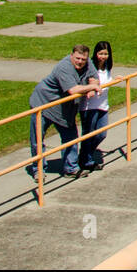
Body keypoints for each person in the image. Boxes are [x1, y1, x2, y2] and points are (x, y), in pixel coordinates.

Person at [26, 43, 100, 179]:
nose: (80, 62)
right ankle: (39, 170)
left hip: (64, 108)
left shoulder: (88, 63)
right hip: (43, 104)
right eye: (77, 58)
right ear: (71, 55)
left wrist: (92, 86)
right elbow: (73, 90)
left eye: (83, 59)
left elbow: (94, 78)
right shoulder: (63, 67)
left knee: (71, 138)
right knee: (37, 138)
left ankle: (71, 169)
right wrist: (91, 87)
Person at [78, 41, 113, 171]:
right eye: (100, 53)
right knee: (89, 134)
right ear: (95, 53)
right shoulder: (90, 67)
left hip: (103, 105)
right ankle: (86, 160)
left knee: (101, 134)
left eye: (105, 54)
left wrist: (115, 80)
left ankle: (85, 155)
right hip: (89, 107)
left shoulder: (107, 68)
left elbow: (105, 82)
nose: (103, 57)